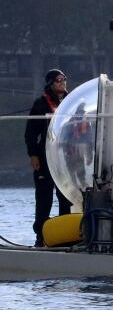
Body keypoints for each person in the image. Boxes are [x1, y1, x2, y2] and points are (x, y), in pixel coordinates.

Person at [24, 69, 73, 247]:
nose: (62, 82)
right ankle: (41, 236)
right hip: (44, 158)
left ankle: (66, 237)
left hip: (64, 159)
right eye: (58, 80)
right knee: (44, 198)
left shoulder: (70, 102)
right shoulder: (40, 104)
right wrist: (33, 154)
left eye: (64, 79)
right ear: (50, 83)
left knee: (65, 198)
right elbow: (30, 132)